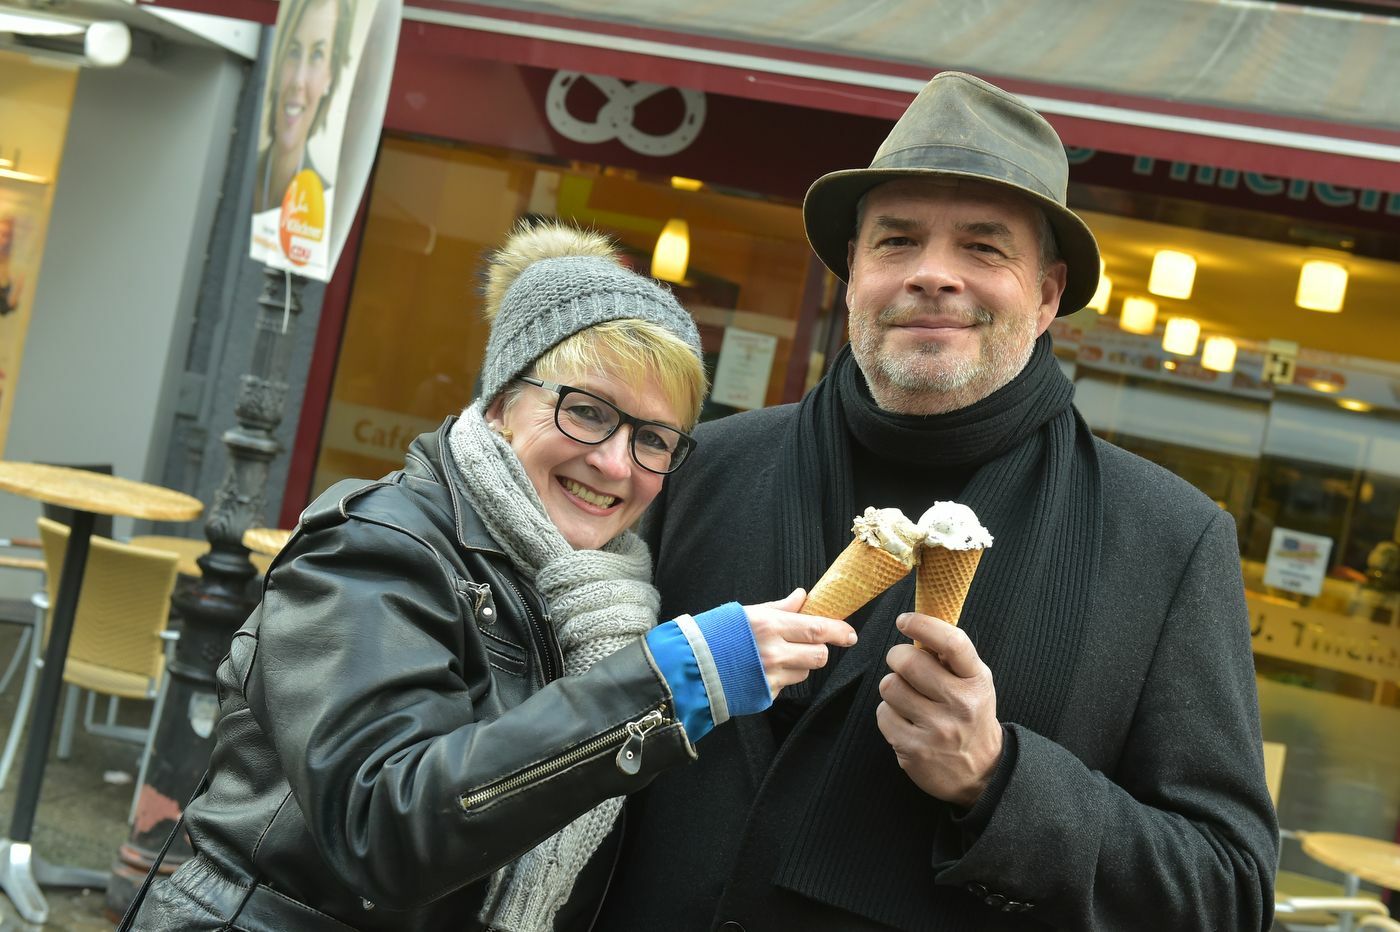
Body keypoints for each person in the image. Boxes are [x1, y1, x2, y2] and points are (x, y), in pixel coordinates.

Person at [597, 72, 1279, 931]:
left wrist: (999, 780)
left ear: (1047, 295)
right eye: (897, 241)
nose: (932, 275)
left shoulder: (1167, 540)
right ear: (853, 271)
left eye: (984, 248)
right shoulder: (702, 467)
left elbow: (1229, 890)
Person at [129, 221, 855, 931]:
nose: (615, 463)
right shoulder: (375, 548)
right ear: (504, 402)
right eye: (587, 412)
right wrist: (673, 681)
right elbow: (383, 827)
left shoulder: (608, 601)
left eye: (654, 439)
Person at [252, 0, 351, 214]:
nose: (298, 81)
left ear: (330, 75)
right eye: (294, 51)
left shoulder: (327, 206)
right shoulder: (240, 170)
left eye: (317, 55)